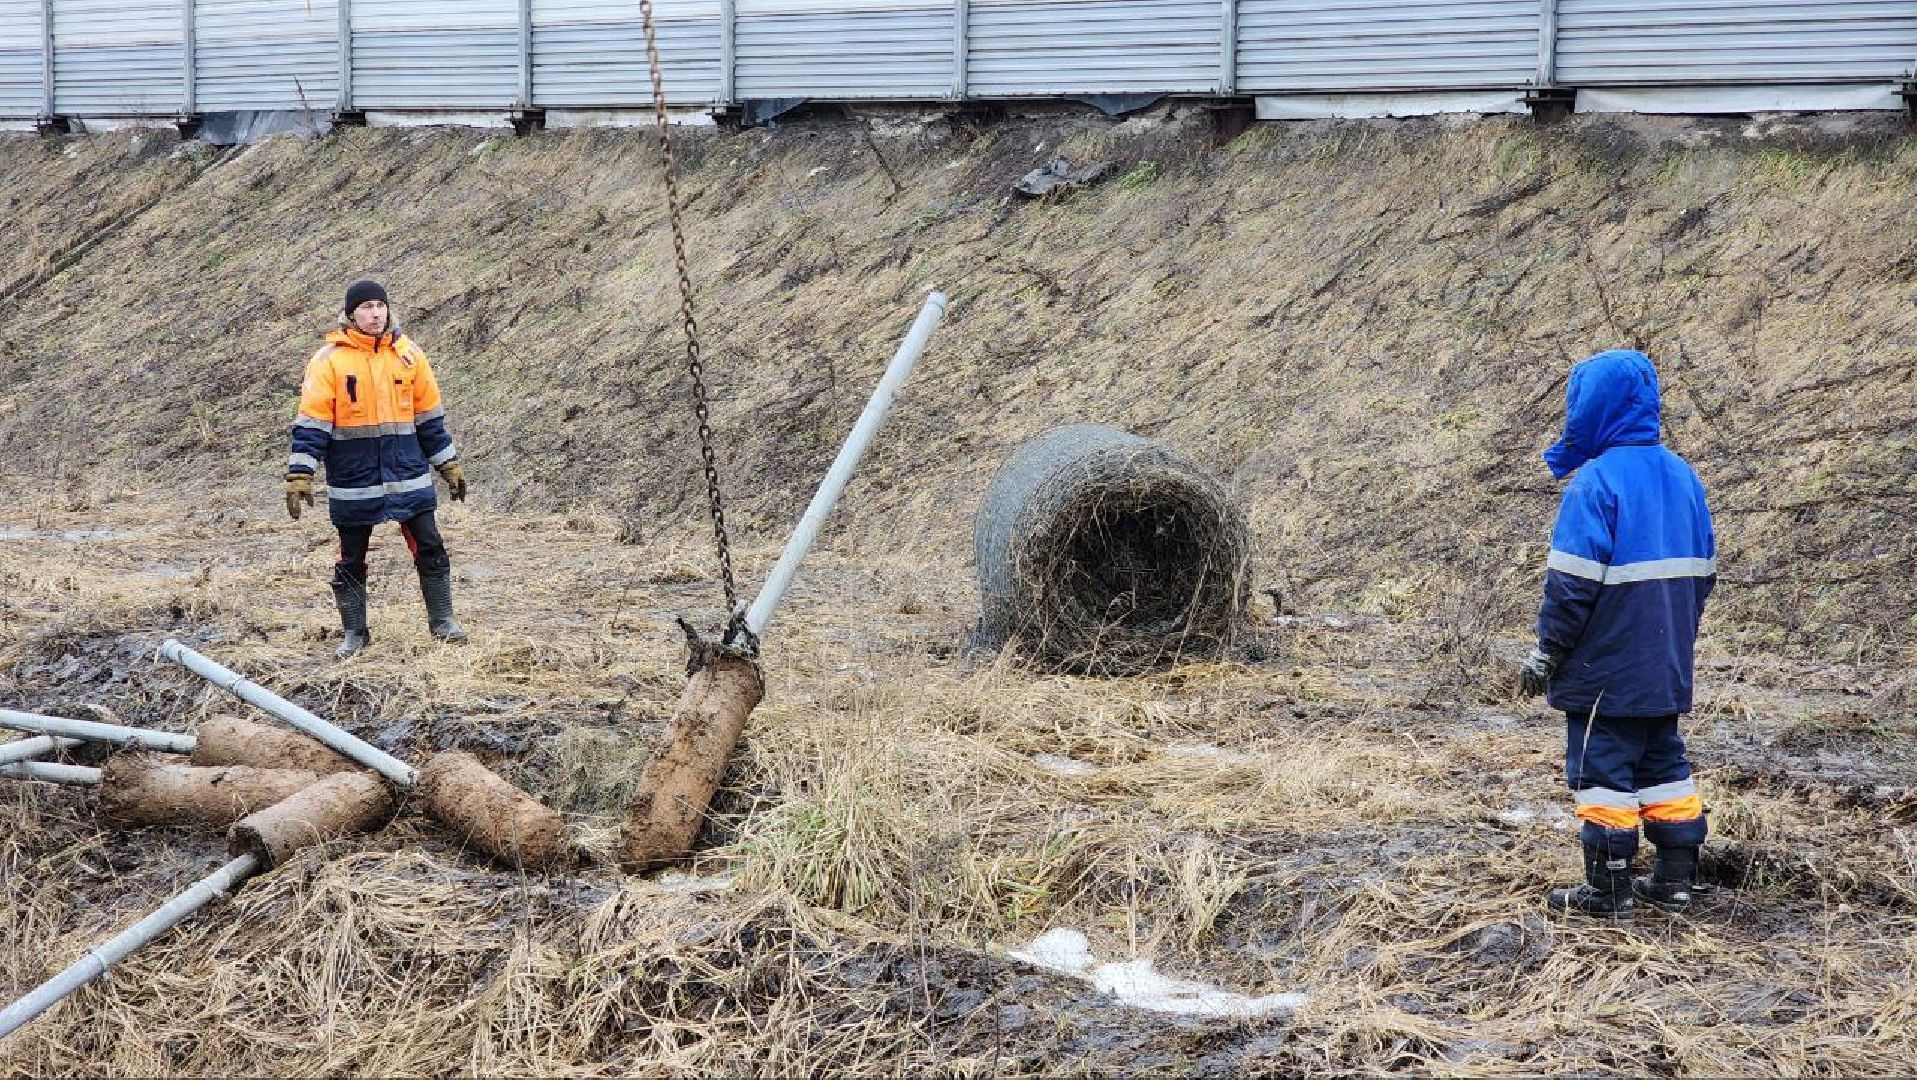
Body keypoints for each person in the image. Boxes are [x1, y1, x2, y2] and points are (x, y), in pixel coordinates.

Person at [1518, 349, 1716, 919]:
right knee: (1663, 767)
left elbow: (1571, 587)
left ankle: (1607, 891)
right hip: (1667, 662)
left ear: (1592, 409)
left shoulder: (1596, 482)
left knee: (1601, 773)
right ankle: (1675, 880)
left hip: (1604, 670)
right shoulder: (1683, 476)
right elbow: (1705, 574)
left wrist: (1548, 652)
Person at [284, 280, 469, 658]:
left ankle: (443, 622)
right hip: (355, 481)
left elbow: (429, 420)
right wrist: (301, 473)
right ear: (351, 313)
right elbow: (312, 424)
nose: (375, 313)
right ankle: (355, 633)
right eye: (367, 307)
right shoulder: (328, 361)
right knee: (352, 557)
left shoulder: (410, 356)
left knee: (431, 545)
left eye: (380, 306)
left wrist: (447, 463)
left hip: (408, 475)